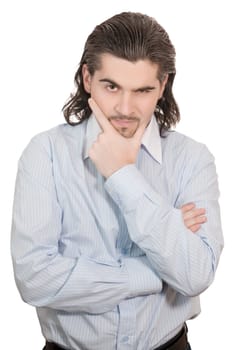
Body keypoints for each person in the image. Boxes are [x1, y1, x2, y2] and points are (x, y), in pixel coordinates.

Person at [11, 11, 223, 350]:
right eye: (111, 86)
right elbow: (35, 279)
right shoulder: (45, 154)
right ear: (87, 78)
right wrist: (157, 271)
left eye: (142, 90)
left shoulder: (192, 160)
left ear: (163, 86)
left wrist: (123, 175)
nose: (125, 108)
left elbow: (195, 276)